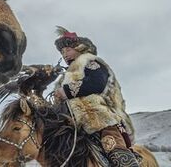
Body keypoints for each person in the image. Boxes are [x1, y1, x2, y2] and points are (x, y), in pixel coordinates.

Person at [52, 27, 138, 167]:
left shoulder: (91, 62)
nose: (64, 54)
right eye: (62, 52)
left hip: (102, 121)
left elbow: (97, 83)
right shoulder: (65, 76)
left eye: (68, 50)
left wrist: (66, 91)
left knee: (115, 151)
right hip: (74, 124)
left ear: (79, 48)